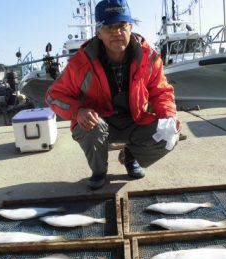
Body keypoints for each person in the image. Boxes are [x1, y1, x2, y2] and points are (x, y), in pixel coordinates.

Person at [46, 0, 180, 190]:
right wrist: (78, 111)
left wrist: (169, 116)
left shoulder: (149, 57)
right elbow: (54, 95)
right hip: (100, 123)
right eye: (109, 27)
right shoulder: (79, 63)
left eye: (121, 26)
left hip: (135, 120)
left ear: (130, 27)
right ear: (98, 32)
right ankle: (99, 171)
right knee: (90, 124)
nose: (117, 32)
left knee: (169, 133)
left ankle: (130, 156)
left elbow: (162, 91)